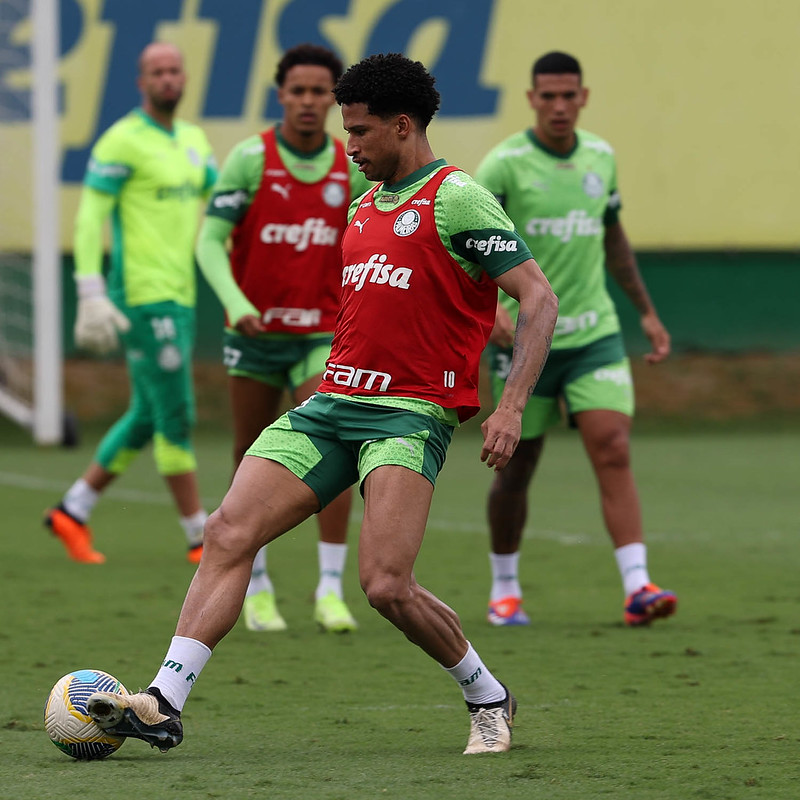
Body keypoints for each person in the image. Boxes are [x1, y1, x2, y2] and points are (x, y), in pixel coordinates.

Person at [84, 52, 558, 756]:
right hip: (331, 404)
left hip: (408, 414)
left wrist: (512, 403)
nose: (350, 146)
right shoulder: (366, 203)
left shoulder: (457, 196)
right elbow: (420, 294)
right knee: (227, 532)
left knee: (387, 586)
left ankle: (487, 694)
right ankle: (163, 699)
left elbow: (537, 297)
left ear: (403, 126)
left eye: (362, 132)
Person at [475, 51, 677, 627]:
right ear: (532, 99)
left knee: (612, 446)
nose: (560, 106)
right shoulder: (503, 167)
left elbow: (613, 238)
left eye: (570, 96)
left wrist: (647, 312)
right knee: (517, 466)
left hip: (595, 334)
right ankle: (505, 588)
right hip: (526, 344)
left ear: (583, 97)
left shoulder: (601, 157)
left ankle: (638, 586)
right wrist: (491, 316)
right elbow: (464, 247)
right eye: (549, 96)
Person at [195, 44, 372, 633]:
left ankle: (328, 588)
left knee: (335, 444)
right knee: (251, 453)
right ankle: (257, 585)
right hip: (253, 337)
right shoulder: (250, 160)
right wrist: (238, 303)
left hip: (320, 335)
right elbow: (208, 241)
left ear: (335, 99)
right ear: (281, 96)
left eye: (320, 91)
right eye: (297, 90)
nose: (308, 101)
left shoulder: (348, 167)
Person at [44, 43, 217, 565]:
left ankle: (71, 511)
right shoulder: (121, 140)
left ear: (183, 77)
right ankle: (198, 538)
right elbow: (87, 214)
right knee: (177, 415)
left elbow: (218, 204)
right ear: (141, 81)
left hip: (182, 294)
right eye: (156, 72)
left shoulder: (193, 140)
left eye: (174, 69)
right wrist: (90, 287)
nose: (167, 78)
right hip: (141, 297)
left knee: (147, 414)